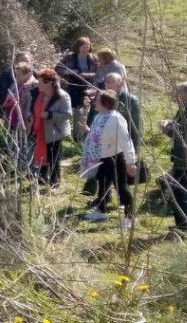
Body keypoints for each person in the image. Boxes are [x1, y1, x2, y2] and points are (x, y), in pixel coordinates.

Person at [80, 90, 138, 227]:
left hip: (115, 158)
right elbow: (100, 134)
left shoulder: (115, 118)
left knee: (121, 188)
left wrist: (130, 162)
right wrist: (88, 131)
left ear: (104, 103)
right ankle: (101, 211)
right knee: (103, 183)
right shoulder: (100, 116)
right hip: (102, 157)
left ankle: (130, 218)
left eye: (97, 100)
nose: (94, 102)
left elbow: (125, 140)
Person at [28, 68, 72, 189]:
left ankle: (55, 181)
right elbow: (33, 109)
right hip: (40, 129)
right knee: (42, 154)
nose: (38, 84)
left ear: (49, 83)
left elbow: (68, 115)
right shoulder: (38, 93)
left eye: (41, 82)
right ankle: (42, 178)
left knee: (54, 157)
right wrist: (32, 116)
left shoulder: (62, 96)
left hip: (55, 132)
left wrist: (49, 115)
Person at [159, 81, 187, 237]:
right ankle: (182, 225)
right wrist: (170, 123)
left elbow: (184, 135)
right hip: (183, 156)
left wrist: (167, 129)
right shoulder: (185, 109)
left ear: (185, 94)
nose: (174, 96)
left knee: (181, 191)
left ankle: (186, 226)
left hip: (186, 157)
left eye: (176, 92)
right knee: (178, 188)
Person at [57, 37, 98, 140]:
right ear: (78, 47)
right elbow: (58, 68)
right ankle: (65, 135)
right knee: (67, 111)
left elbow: (99, 73)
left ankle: (78, 136)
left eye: (88, 46)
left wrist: (86, 75)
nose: (86, 48)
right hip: (69, 87)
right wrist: (69, 72)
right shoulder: (69, 57)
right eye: (83, 46)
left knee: (81, 112)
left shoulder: (93, 59)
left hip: (86, 88)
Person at [2, 62, 38, 172]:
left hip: (26, 119)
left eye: (19, 74)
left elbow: (33, 104)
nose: (16, 77)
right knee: (14, 141)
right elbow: (8, 97)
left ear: (27, 74)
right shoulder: (15, 85)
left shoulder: (34, 86)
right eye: (16, 74)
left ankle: (26, 166)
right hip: (13, 118)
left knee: (26, 142)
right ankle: (16, 165)